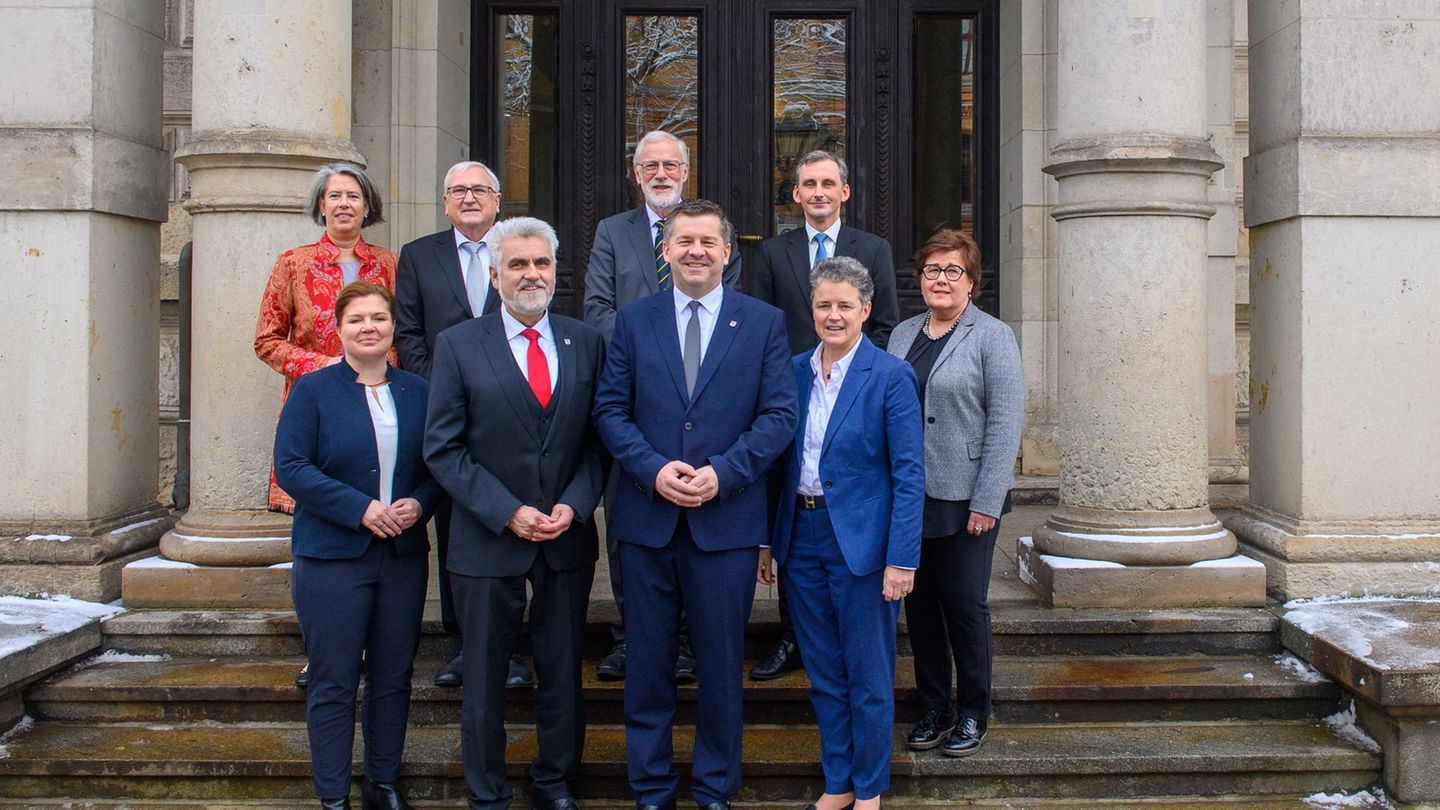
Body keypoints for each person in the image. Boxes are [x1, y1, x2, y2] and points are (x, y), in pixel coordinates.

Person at [593, 199, 798, 810]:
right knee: (647, 668)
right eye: (683, 242)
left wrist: (723, 474)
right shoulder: (633, 321)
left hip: (726, 524)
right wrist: (653, 470)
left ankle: (714, 788)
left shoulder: (762, 322)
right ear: (666, 250)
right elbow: (609, 410)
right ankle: (650, 788)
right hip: (647, 522)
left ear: (728, 251)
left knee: (719, 670)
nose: (695, 252)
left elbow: (779, 415)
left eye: (708, 242)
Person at [425, 217, 605, 810]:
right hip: (487, 539)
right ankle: (488, 793)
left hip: (564, 540)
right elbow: (444, 449)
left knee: (561, 672)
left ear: (557, 271)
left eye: (542, 264)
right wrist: (508, 512)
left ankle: (555, 783)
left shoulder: (586, 342)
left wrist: (574, 507)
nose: (531, 275)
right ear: (496, 275)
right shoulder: (458, 345)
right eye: (518, 265)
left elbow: (598, 445)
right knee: (483, 677)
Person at [761, 257, 924, 810]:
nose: (833, 316)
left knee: (869, 674)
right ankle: (839, 784)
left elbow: (909, 474)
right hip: (800, 536)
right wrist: (768, 540)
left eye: (844, 306)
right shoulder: (791, 369)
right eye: (824, 305)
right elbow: (775, 463)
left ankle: (871, 790)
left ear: (866, 310)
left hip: (862, 545)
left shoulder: (891, 376)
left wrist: (902, 558)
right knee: (825, 671)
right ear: (811, 311)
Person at [274, 281, 441, 810]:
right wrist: (359, 508)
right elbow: (292, 468)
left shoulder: (419, 391)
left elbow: (441, 462)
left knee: (393, 674)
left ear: (392, 325)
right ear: (339, 329)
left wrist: (421, 503)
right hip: (332, 558)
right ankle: (332, 795)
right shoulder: (313, 390)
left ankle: (383, 782)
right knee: (335, 678)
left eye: (378, 318)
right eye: (357, 320)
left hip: (402, 557)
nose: (369, 327)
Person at [584, 130, 740, 683]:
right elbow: (597, 305)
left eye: (670, 164)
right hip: (633, 395)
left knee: (697, 528)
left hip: (705, 400)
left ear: (685, 171)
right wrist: (647, 345)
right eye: (649, 165)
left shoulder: (715, 236)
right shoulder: (612, 232)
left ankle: (688, 641)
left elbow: (727, 310)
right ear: (636, 173)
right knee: (631, 519)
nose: (660, 173)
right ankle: (634, 636)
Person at [746, 150, 901, 680]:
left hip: (853, 396)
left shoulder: (873, 249)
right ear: (795, 194)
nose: (817, 192)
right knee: (794, 516)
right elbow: (761, 331)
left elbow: (885, 327)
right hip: (791, 396)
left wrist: (857, 379)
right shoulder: (771, 253)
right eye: (807, 183)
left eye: (827, 183)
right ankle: (792, 636)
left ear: (844, 192)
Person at [255, 162, 395, 691]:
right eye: (334, 196)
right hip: (316, 409)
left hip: (381, 406)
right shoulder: (292, 264)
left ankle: (373, 644)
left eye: (353, 196)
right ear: (320, 205)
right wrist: (327, 369)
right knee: (319, 529)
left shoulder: (388, 264)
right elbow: (267, 340)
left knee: (374, 514)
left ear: (367, 207)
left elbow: (399, 332)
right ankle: (324, 651)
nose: (343, 204)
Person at [394, 160, 532, 691]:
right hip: (447, 417)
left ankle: (516, 646)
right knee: (457, 533)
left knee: (517, 529)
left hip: (516, 416)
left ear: (498, 199)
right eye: (459, 191)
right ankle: (464, 644)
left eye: (480, 189)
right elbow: (408, 333)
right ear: (445, 202)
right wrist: (446, 391)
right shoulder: (419, 256)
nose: (470, 198)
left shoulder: (521, 247)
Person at [886, 229, 1023, 758]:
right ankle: (935, 706)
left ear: (971, 281)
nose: (941, 280)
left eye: (952, 271)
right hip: (909, 495)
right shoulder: (901, 335)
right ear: (920, 279)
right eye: (932, 270)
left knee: (964, 606)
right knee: (918, 608)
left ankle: (973, 711)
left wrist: (988, 500)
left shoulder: (992, 336)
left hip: (966, 497)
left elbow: (1006, 421)